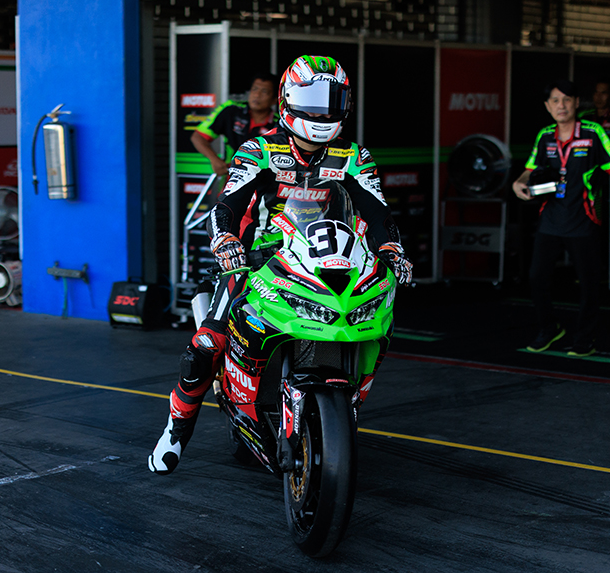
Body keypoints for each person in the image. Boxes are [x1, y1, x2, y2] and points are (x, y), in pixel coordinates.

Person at [149, 55, 414, 475]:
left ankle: (342, 404)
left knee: (375, 318)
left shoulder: (354, 156)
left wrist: (392, 250)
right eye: (312, 100)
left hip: (328, 258)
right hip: (257, 259)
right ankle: (175, 432)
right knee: (206, 346)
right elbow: (227, 206)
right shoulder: (259, 149)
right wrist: (225, 240)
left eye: (331, 101)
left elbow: (379, 214)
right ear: (287, 99)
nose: (321, 112)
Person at [512, 79, 610, 358]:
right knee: (536, 277)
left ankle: (585, 338)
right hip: (551, 219)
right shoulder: (545, 136)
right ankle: (549, 329)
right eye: (555, 101)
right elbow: (530, 168)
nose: (561, 105)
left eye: (566, 100)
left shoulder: (593, 132)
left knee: (588, 284)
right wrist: (519, 182)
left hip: (583, 219)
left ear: (576, 103)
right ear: (547, 106)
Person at [190, 73, 280, 177]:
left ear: (274, 99)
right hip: (231, 178)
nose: (257, 95)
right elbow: (198, 137)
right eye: (254, 89)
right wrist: (214, 159)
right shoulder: (231, 110)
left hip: (264, 182)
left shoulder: (280, 124)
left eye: (264, 91)